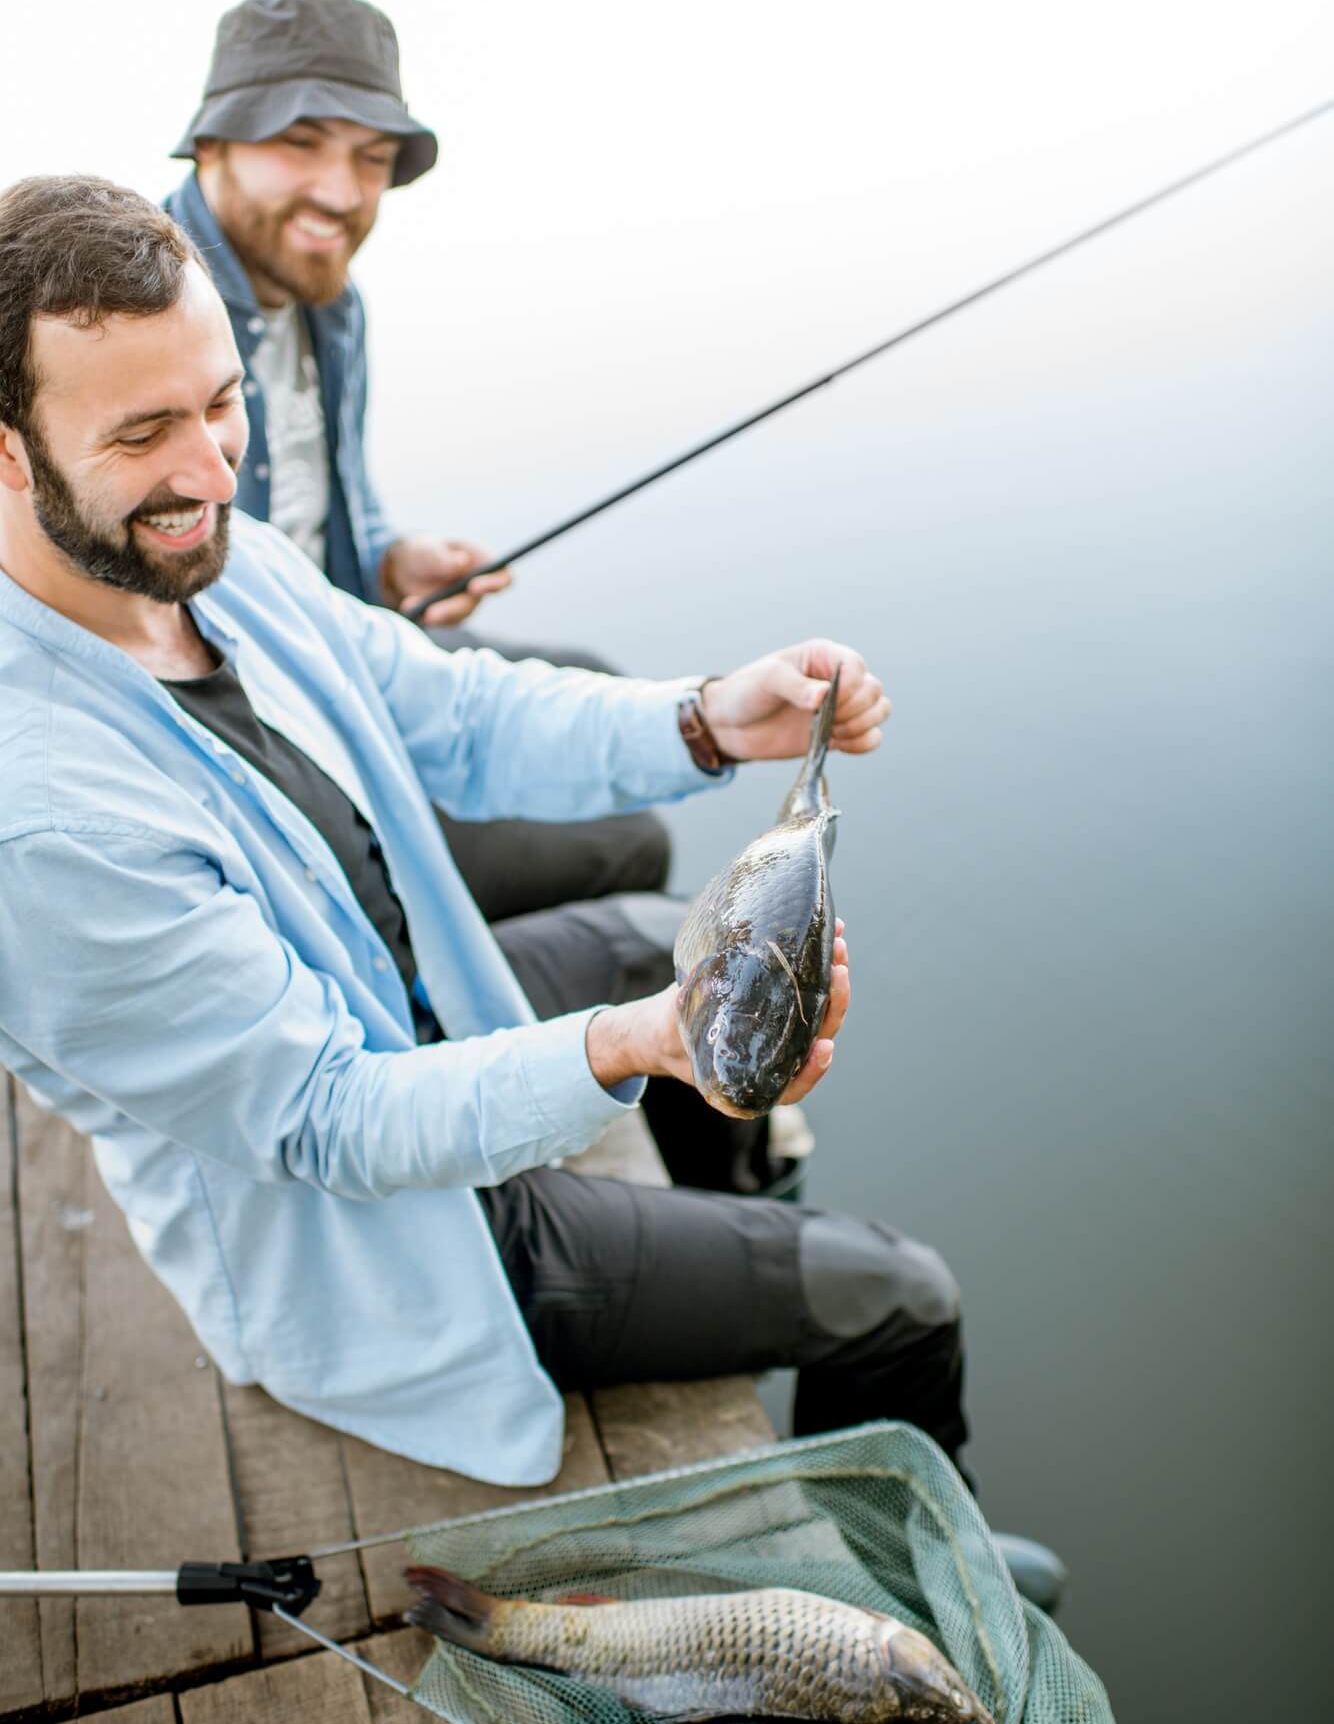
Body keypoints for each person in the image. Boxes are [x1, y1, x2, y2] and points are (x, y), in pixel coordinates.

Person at [0, 175, 968, 1491]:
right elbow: (333, 1118)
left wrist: (705, 720)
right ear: (8, 448)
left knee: (642, 929)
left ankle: (727, 1224)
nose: (208, 466)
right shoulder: (48, 827)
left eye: (223, 403)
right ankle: (908, 1560)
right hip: (388, 1240)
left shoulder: (204, 552)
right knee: (898, 1292)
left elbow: (444, 708)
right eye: (143, 432)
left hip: (429, 1029)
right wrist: (638, 1044)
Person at [165, 0, 671, 924]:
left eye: (372, 158)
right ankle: (436, 987)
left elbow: (318, 507)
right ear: (213, 141)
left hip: (342, 638)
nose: (343, 193)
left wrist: (389, 560)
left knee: (605, 682)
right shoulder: (151, 313)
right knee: (634, 844)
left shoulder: (329, 302)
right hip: (275, 724)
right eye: (301, 142)